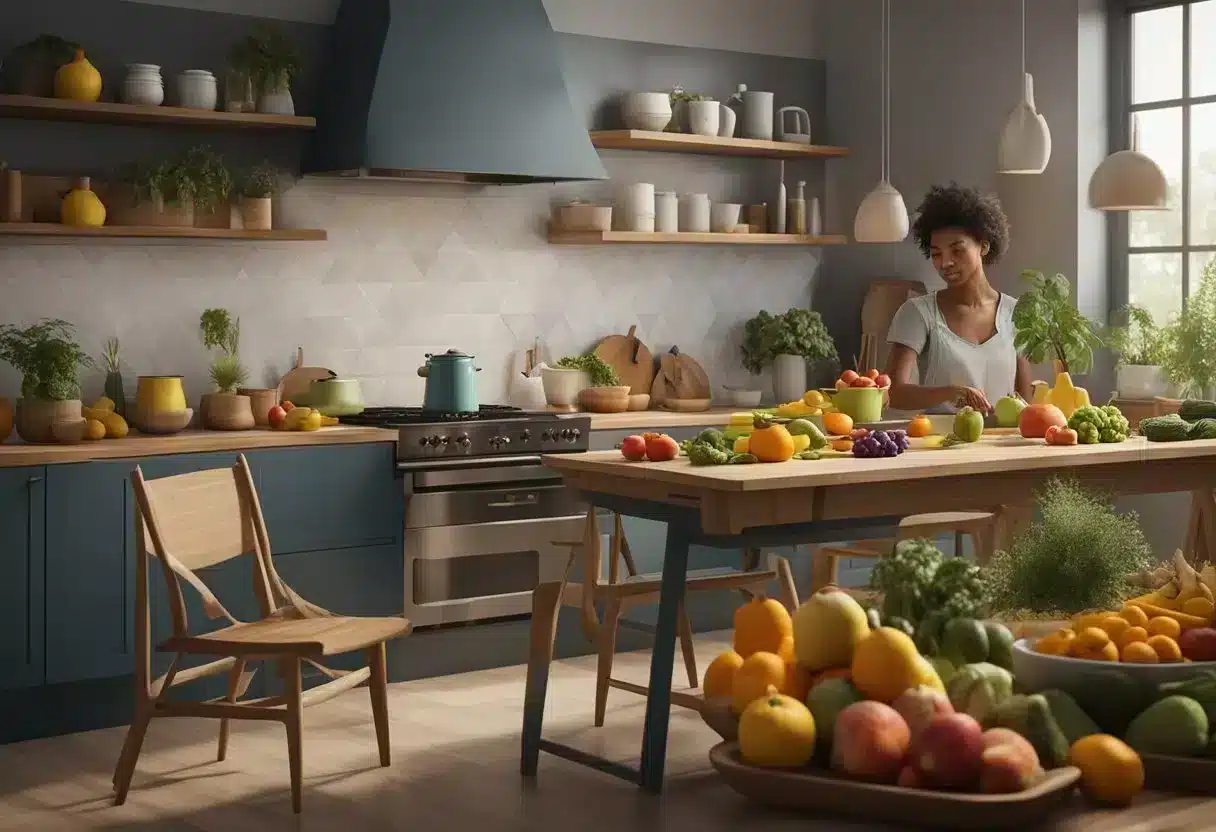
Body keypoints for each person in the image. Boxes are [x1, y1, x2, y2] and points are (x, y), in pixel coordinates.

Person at [885, 183, 1032, 413]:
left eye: (957, 250)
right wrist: (951, 392)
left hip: (1002, 444)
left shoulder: (1015, 313)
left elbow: (1025, 401)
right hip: (942, 444)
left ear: (983, 245)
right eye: (936, 254)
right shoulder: (917, 313)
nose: (945, 263)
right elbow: (893, 393)